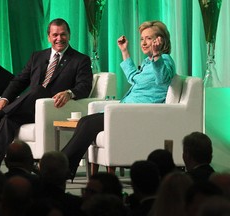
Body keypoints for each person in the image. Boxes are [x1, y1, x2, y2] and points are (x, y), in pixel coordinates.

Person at [0, 18, 93, 165]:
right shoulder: (37, 56)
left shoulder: (80, 60)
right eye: (55, 35)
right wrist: (5, 99)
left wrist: (69, 93)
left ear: (69, 35)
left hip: (53, 109)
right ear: (49, 37)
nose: (59, 38)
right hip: (28, 109)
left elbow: (84, 86)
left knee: (39, 90)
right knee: (8, 120)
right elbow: (19, 81)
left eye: (63, 34)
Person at [61, 20, 176, 179]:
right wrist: (124, 51)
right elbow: (133, 78)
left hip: (137, 115)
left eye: (149, 38)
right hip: (125, 111)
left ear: (160, 40)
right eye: (142, 38)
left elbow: (163, 78)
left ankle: (59, 166)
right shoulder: (148, 62)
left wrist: (157, 54)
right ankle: (67, 168)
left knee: (88, 124)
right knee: (84, 121)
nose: (143, 42)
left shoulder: (165, 60)